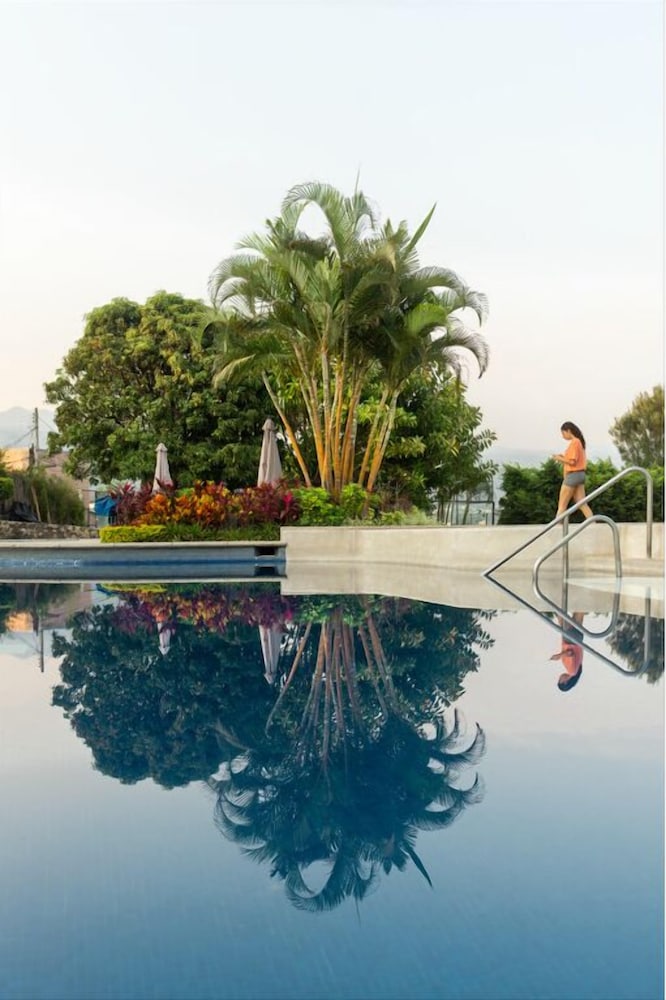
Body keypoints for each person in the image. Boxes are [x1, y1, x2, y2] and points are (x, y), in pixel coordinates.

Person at [552, 421, 593, 520]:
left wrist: (558, 458)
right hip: (580, 475)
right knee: (581, 503)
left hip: (573, 475)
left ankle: (557, 527)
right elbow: (573, 459)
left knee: (562, 505)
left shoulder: (575, 442)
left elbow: (572, 461)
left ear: (568, 431)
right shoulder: (579, 442)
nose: (563, 436)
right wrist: (563, 457)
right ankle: (592, 524)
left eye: (563, 433)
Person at [550, 611, 584, 692]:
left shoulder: (576, 671)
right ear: (564, 682)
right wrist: (559, 656)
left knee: (579, 609)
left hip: (577, 639)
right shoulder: (571, 671)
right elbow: (570, 653)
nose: (559, 678)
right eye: (559, 680)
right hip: (570, 640)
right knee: (559, 612)